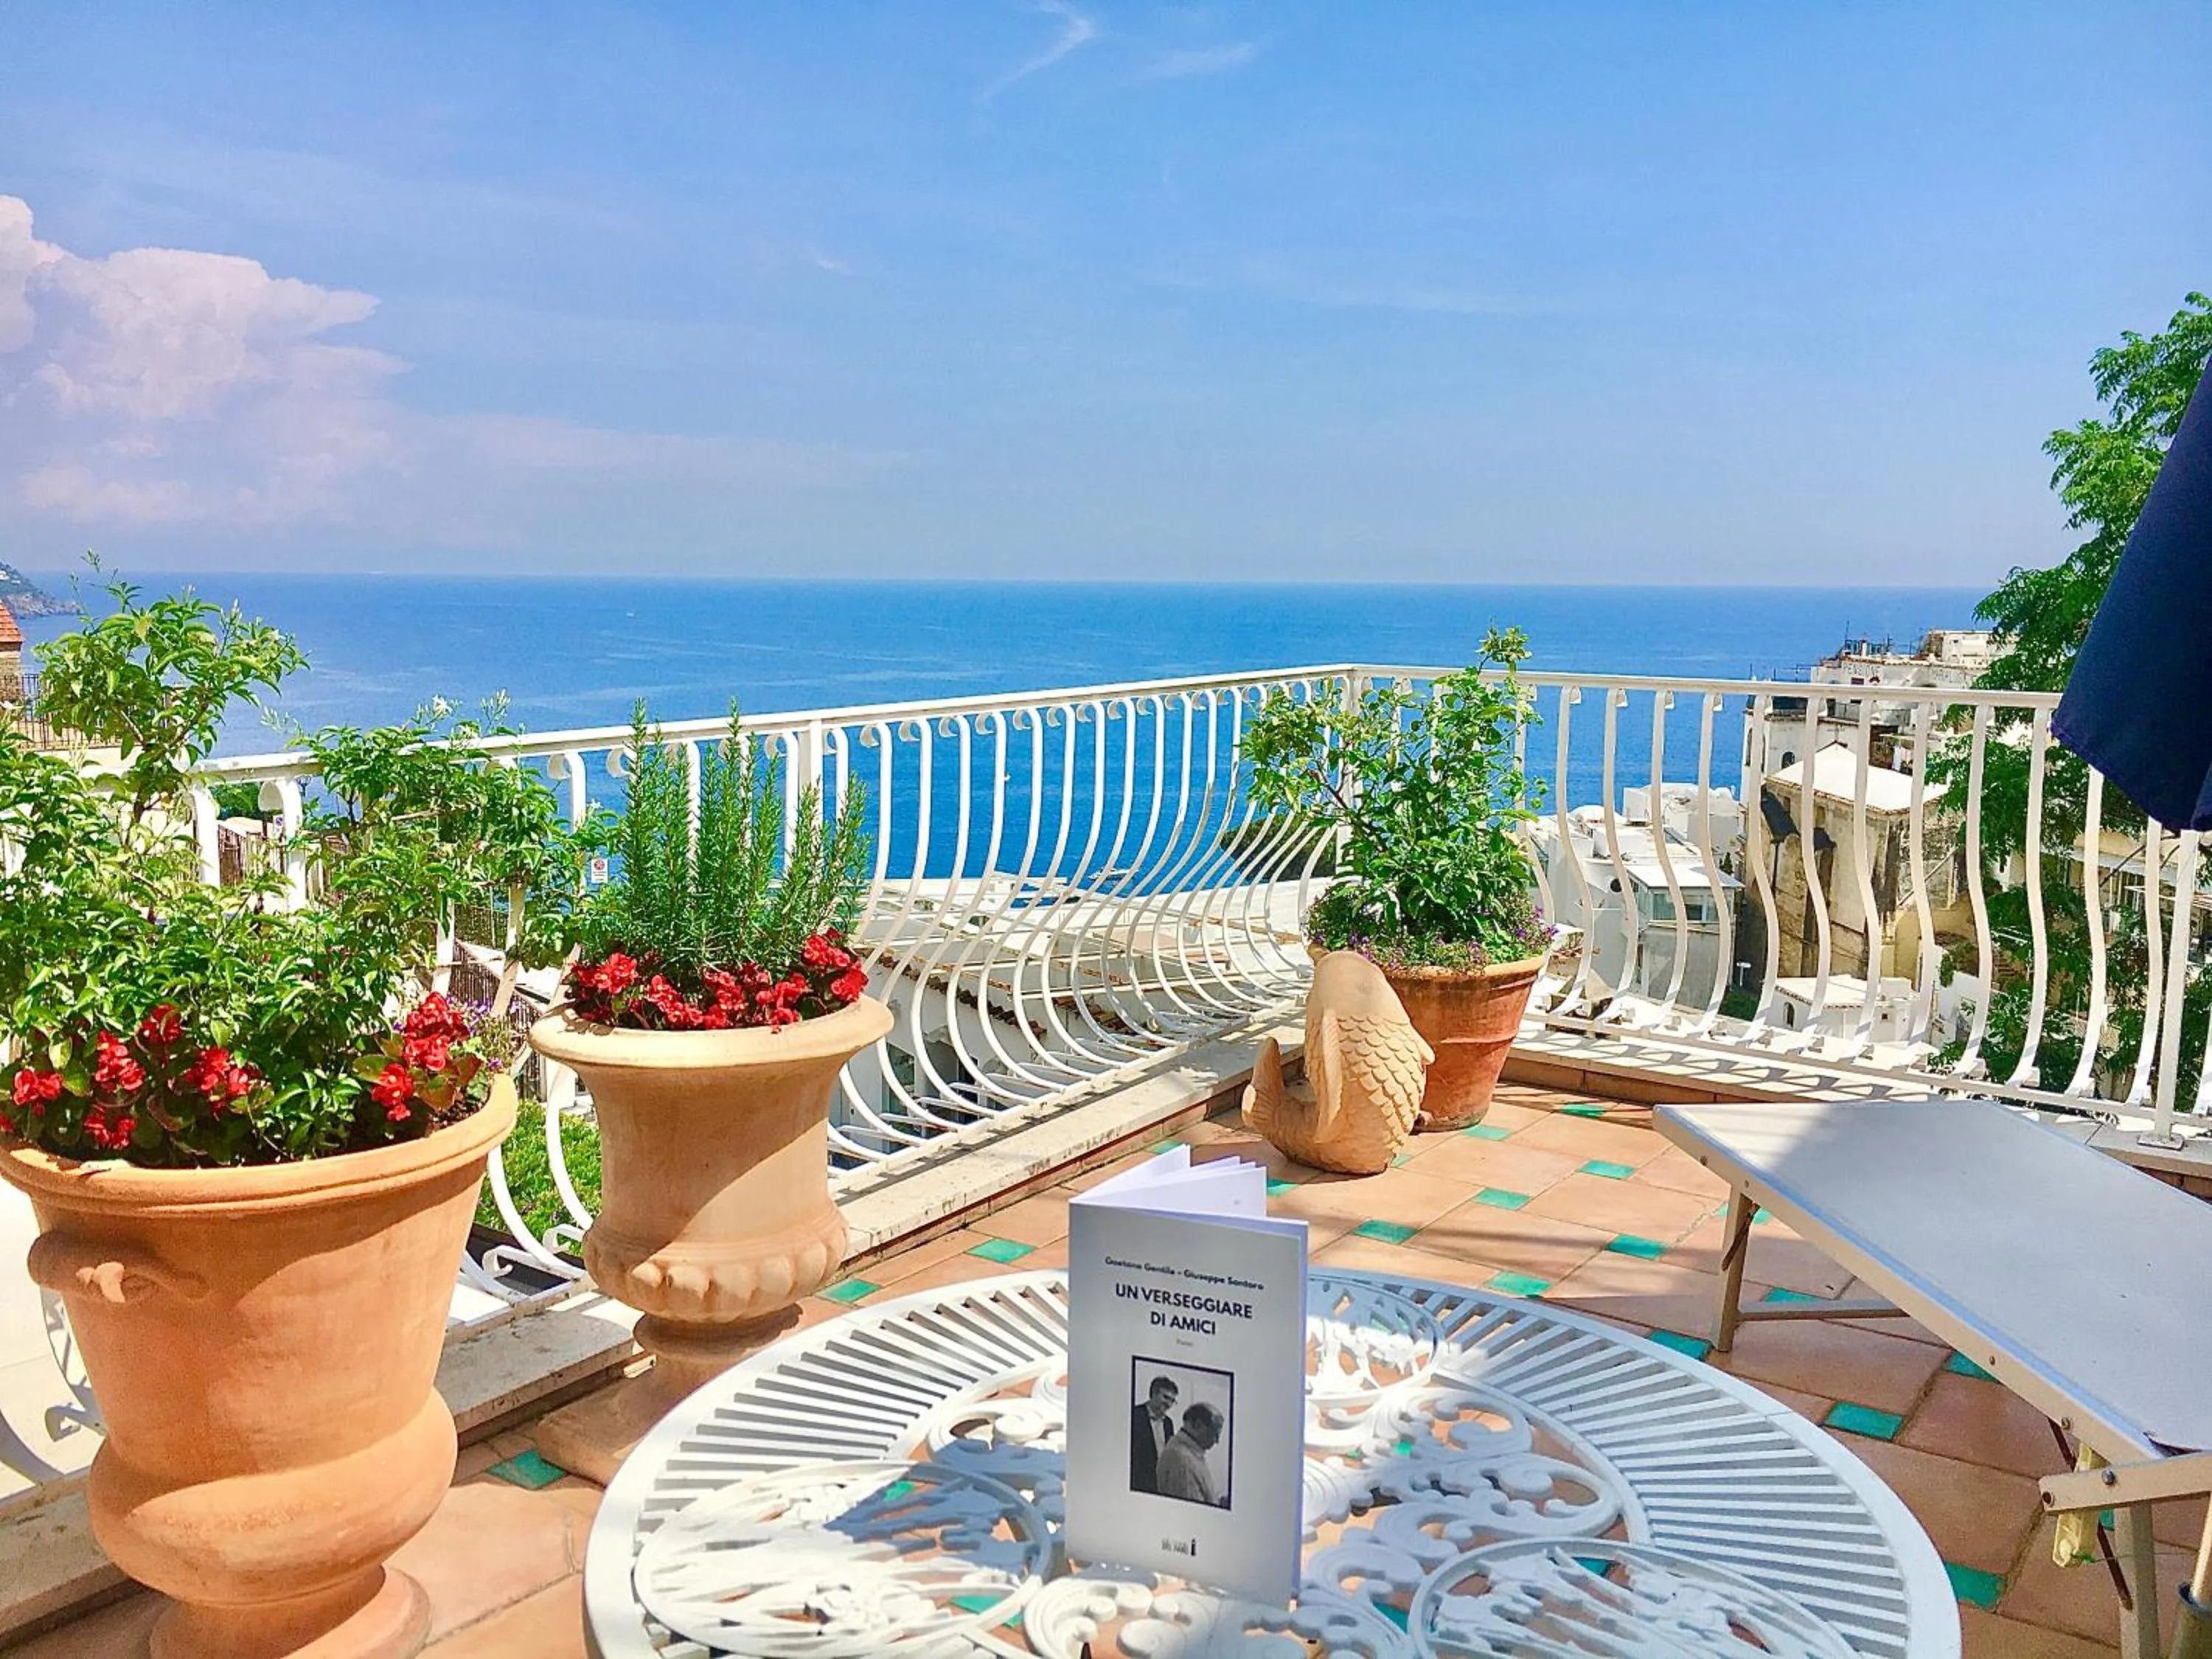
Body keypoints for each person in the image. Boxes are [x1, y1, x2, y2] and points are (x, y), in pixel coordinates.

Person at [1155, 1401, 1226, 1508]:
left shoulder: (1190, 1453)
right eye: (1214, 1434)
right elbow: (1194, 1514)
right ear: (1198, 1425)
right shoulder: (1181, 1461)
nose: (1217, 1441)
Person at [1128, 1375, 1178, 1494]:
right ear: (1154, 1393)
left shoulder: (1169, 1423)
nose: (1169, 1404)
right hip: (1136, 1484)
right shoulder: (1134, 1415)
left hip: (1160, 1485)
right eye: (1166, 1397)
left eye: (1172, 1400)